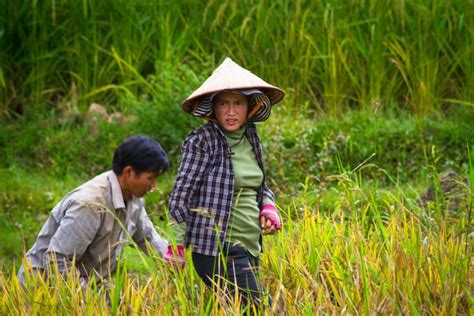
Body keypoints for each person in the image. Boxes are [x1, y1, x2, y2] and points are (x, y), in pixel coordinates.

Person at [166, 57, 285, 307]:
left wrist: (268, 206)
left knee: (237, 309)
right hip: (219, 248)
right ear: (213, 107)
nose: (231, 112)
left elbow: (259, 184)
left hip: (250, 247)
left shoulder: (251, 137)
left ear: (249, 107)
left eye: (238, 104)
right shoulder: (202, 141)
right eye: (224, 104)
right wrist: (176, 247)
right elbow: (181, 195)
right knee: (263, 309)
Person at [17, 135, 169, 288]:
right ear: (128, 172)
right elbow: (57, 260)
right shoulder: (90, 204)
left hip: (84, 285)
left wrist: (172, 260)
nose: (154, 185)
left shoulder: (133, 196)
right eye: (150, 178)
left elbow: (147, 237)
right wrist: (87, 300)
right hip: (43, 289)